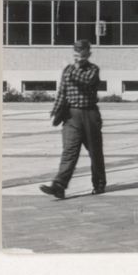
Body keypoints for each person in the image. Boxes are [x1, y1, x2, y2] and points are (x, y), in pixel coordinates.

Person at [40, 39, 106, 198]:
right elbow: (62, 92)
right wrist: (55, 111)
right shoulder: (67, 70)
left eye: (82, 56)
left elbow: (86, 82)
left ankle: (99, 183)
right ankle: (59, 186)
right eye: (76, 55)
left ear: (88, 55)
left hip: (90, 114)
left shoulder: (93, 70)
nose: (78, 59)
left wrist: (73, 70)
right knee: (69, 151)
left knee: (95, 152)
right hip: (71, 115)